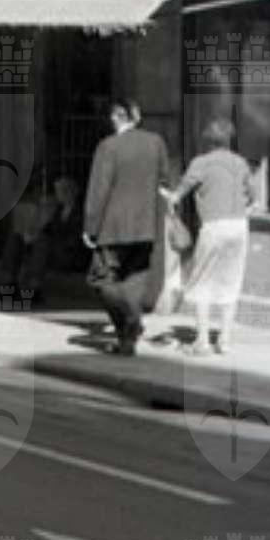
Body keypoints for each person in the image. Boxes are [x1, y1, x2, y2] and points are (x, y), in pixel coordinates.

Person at [162, 115, 257, 356]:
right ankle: (225, 341)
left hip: (214, 226)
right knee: (231, 281)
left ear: (208, 141)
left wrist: (168, 196)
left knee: (202, 280)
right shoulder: (241, 163)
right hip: (239, 226)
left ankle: (202, 342)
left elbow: (178, 194)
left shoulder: (201, 163)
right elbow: (253, 197)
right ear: (229, 140)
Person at [82, 98, 170, 356]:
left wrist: (90, 226)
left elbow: (98, 190)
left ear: (115, 117)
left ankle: (132, 320)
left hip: (113, 227)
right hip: (146, 226)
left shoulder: (108, 147)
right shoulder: (156, 143)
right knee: (134, 280)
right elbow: (164, 181)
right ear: (136, 116)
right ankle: (126, 341)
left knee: (100, 279)